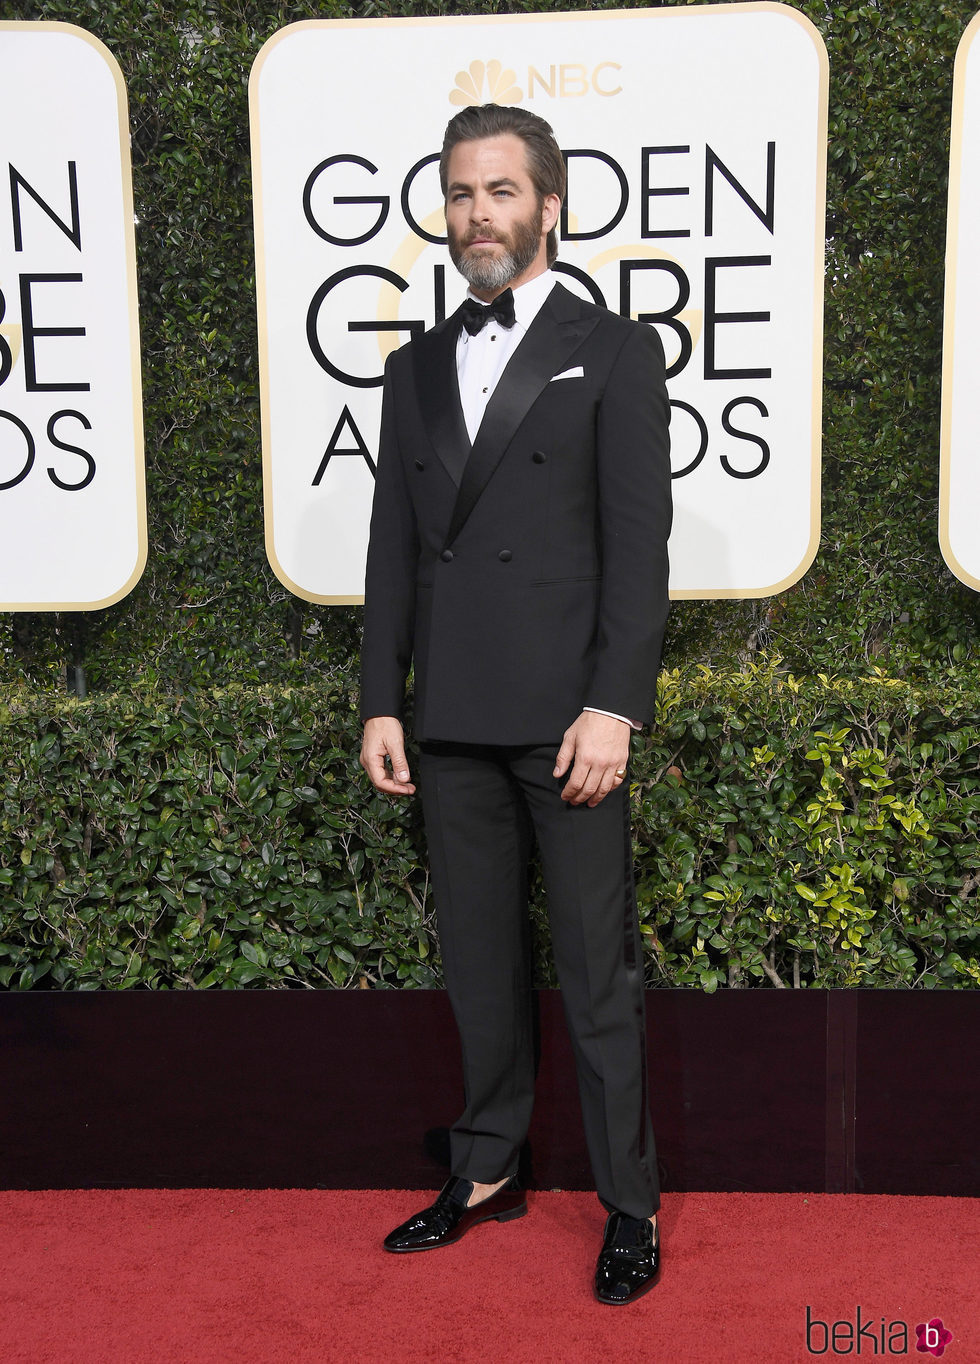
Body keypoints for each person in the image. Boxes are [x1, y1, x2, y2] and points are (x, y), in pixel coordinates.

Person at [359, 103, 671, 1306]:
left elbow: (636, 554)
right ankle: (486, 1167)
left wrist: (613, 705)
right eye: (455, 192)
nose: (474, 214)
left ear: (550, 205)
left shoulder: (616, 349)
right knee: (477, 965)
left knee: (597, 976)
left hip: (567, 723)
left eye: (498, 191)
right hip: (449, 722)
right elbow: (393, 548)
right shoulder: (413, 364)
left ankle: (628, 1200)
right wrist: (382, 697)